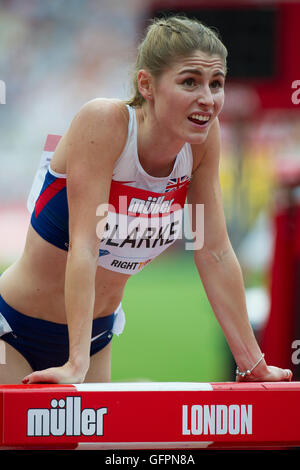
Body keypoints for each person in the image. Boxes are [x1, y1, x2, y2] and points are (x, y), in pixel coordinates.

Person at [0, 15, 292, 384]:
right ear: (147, 84)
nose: (208, 98)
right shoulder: (104, 123)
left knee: (99, 443)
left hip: (96, 335)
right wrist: (75, 363)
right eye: (190, 82)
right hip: (13, 330)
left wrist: (254, 364)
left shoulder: (200, 142)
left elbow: (213, 251)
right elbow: (85, 246)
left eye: (216, 83)